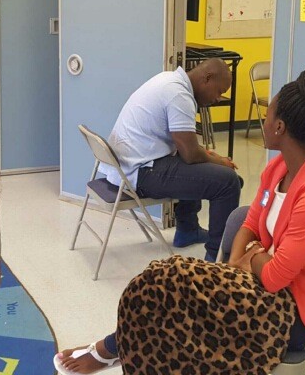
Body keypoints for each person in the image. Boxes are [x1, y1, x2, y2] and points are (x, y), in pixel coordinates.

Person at [56, 62, 305, 375]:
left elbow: (276, 277)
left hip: (296, 316)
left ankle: (112, 349)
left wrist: (252, 258)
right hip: (261, 286)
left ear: (279, 127)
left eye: (267, 116)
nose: (263, 120)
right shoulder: (278, 169)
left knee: (170, 290)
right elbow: (250, 223)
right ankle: (116, 348)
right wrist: (235, 265)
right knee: (160, 279)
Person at [97, 58, 242, 262]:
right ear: (207, 78)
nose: (218, 98)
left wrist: (212, 157)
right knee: (228, 182)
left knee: (204, 166)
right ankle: (217, 257)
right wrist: (220, 162)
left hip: (129, 165)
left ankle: (188, 230)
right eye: (219, 91)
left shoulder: (169, 79)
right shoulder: (179, 95)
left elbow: (186, 146)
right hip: (140, 172)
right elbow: (191, 155)